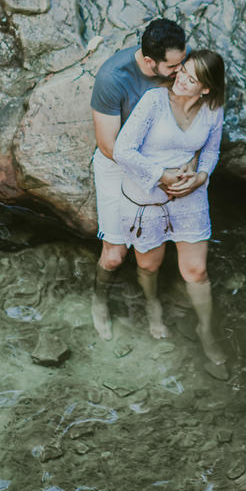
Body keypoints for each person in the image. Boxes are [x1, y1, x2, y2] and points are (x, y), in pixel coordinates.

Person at [113, 49, 227, 365]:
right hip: (147, 191)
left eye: (192, 79)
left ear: (206, 88)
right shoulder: (154, 101)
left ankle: (206, 330)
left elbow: (210, 153)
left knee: (197, 271)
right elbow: (123, 150)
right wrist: (160, 176)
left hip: (188, 191)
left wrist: (201, 177)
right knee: (150, 265)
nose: (181, 80)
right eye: (183, 71)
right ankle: (153, 306)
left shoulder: (213, 109)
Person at [90, 18, 187, 341]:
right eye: (173, 66)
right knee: (115, 255)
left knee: (150, 260)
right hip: (117, 164)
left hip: (160, 159)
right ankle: (99, 301)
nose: (180, 71)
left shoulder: (175, 68)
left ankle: (152, 302)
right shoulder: (112, 78)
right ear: (149, 62)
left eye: (182, 62)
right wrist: (157, 177)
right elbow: (108, 145)